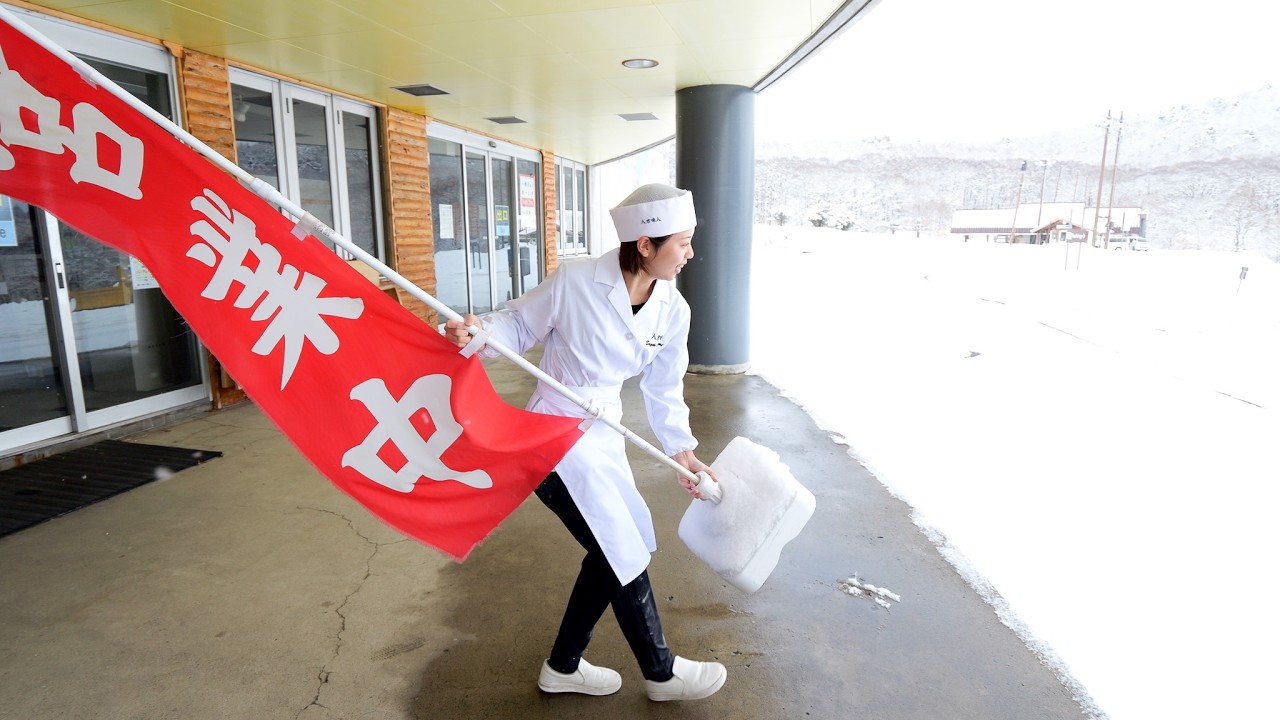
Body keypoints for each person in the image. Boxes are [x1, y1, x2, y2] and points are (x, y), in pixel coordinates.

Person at [442, 183, 727, 702]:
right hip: (552, 436)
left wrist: (681, 452)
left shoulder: (672, 308)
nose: (690, 253)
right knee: (619, 545)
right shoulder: (576, 280)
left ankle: (563, 666)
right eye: (681, 243)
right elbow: (517, 325)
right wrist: (480, 332)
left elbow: (664, 387)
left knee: (622, 542)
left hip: (604, 435)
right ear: (645, 244)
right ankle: (661, 673)